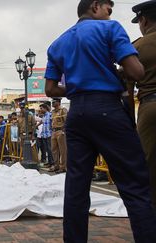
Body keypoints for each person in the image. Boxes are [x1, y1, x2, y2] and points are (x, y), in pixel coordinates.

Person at [44, 0, 156, 242]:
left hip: (76, 114)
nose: (109, 14)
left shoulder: (58, 43)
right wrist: (113, 73)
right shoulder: (110, 29)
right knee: (134, 184)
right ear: (95, 6)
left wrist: (76, 86)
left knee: (76, 187)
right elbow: (137, 72)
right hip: (107, 109)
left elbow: (50, 89)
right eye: (108, 9)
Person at [129, 0, 156, 210]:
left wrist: (129, 120)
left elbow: (127, 88)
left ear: (144, 20)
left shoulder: (138, 46)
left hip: (151, 108)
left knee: (148, 164)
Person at [50, 98, 68, 173]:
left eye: (54, 102)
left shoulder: (63, 110)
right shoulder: (53, 111)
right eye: (52, 102)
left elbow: (67, 121)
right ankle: (56, 165)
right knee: (54, 150)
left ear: (58, 102)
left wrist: (64, 131)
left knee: (63, 150)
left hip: (61, 131)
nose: (52, 103)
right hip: (54, 131)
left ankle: (63, 167)